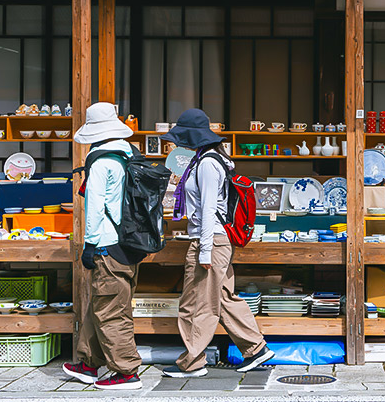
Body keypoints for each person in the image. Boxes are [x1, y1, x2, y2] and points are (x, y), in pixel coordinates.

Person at [160, 108, 274, 378]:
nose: (176, 142)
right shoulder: (206, 160)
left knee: (196, 303)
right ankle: (256, 349)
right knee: (223, 298)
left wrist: (205, 251)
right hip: (216, 239)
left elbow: (210, 208)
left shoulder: (208, 164)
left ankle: (192, 362)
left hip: (209, 240)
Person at [62, 102, 144, 390]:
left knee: (110, 310)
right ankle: (89, 363)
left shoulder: (100, 162)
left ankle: (126, 372)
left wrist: (89, 245)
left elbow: (95, 209)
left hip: (108, 246)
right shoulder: (127, 154)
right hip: (129, 244)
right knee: (103, 304)